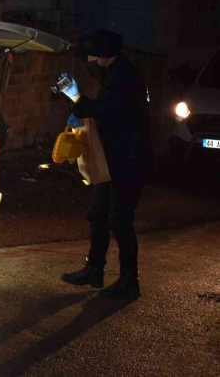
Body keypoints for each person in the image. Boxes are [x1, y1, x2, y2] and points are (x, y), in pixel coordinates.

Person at [59, 29, 151, 300]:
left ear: (103, 54)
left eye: (91, 53)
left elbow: (104, 108)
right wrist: (79, 104)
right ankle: (94, 270)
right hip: (113, 160)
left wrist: (76, 99)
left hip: (128, 161)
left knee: (120, 219)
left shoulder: (123, 77)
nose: (88, 58)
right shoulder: (114, 72)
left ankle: (128, 280)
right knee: (98, 213)